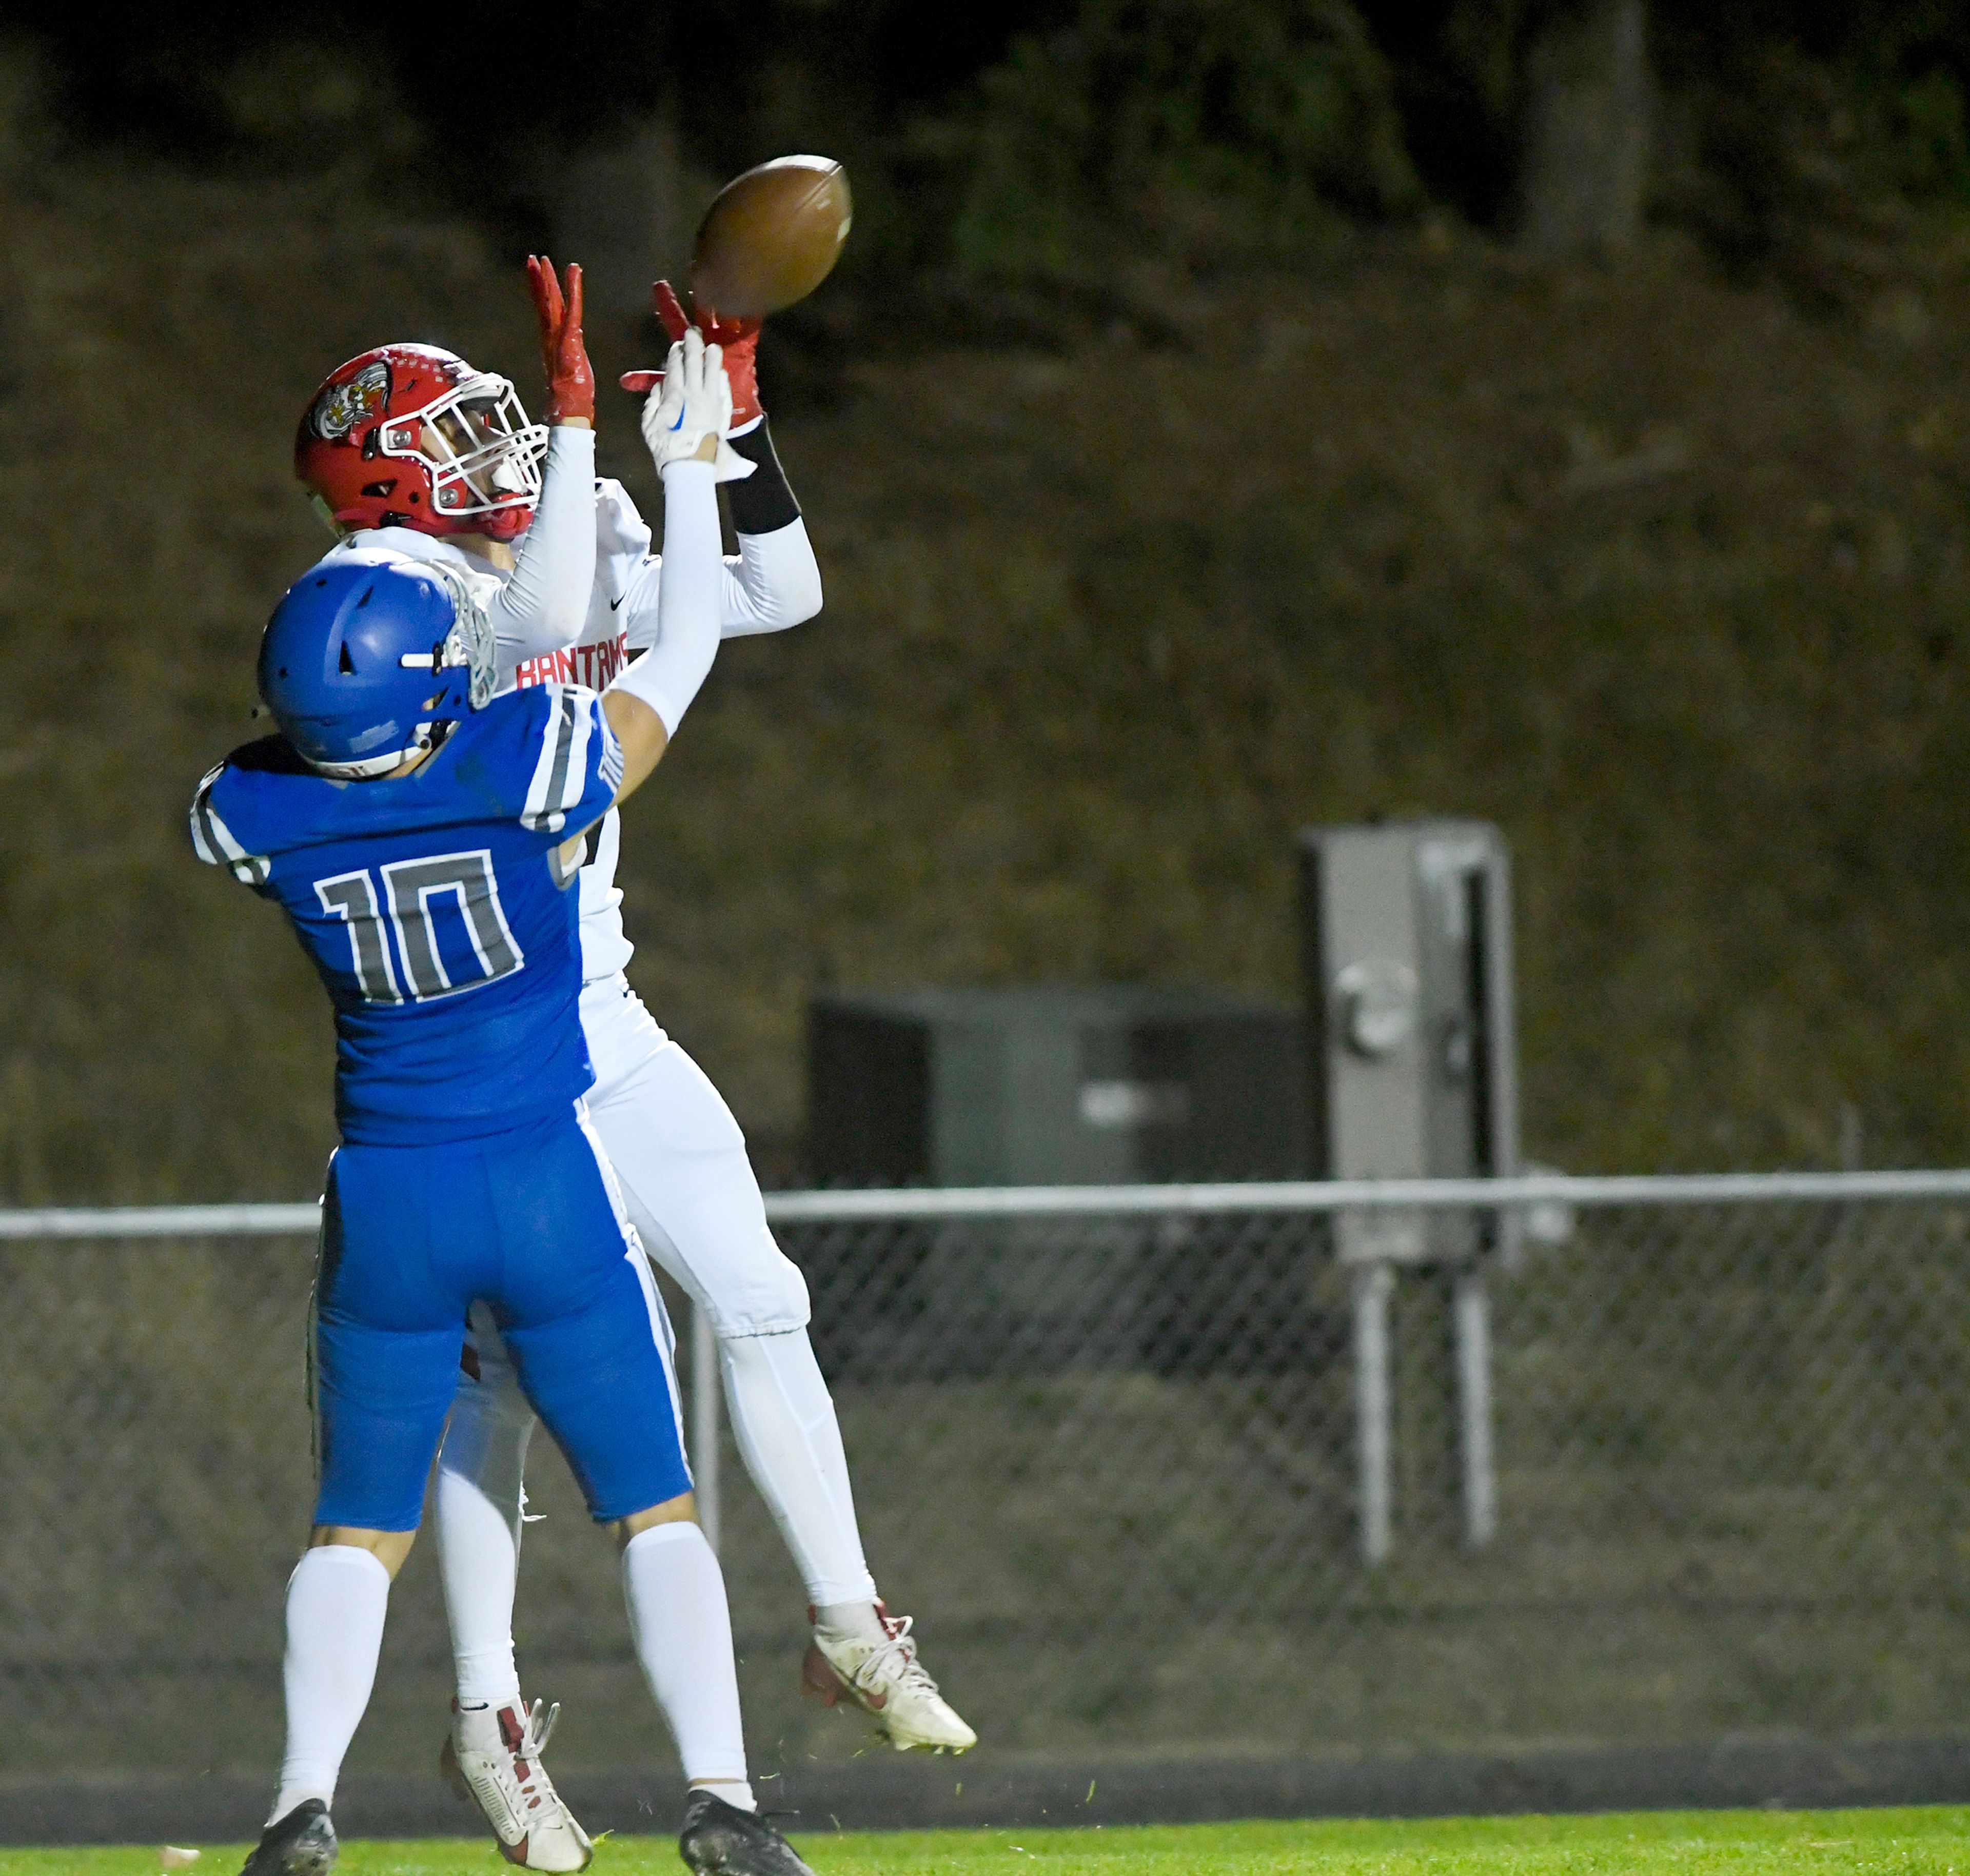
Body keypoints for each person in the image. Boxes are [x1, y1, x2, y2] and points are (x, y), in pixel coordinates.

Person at [289, 264, 973, 1866]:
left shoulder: (505, 551)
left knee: (758, 1291)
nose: (494, 443)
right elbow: (550, 614)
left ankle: (850, 1617)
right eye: (452, 431)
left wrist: (733, 431)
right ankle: (488, 1706)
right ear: (383, 483)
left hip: (610, 1009)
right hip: (490, 1050)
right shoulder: (397, 602)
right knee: (513, 1385)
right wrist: (630, 444)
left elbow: (774, 592)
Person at [195, 332, 818, 1876]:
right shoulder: (523, 764)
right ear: (434, 673)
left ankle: (298, 1807)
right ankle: (723, 1805)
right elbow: (668, 656)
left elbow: (257, 778)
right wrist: (678, 473)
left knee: (354, 1527)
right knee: (655, 1511)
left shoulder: (255, 814)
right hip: (542, 1178)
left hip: (385, 1201)